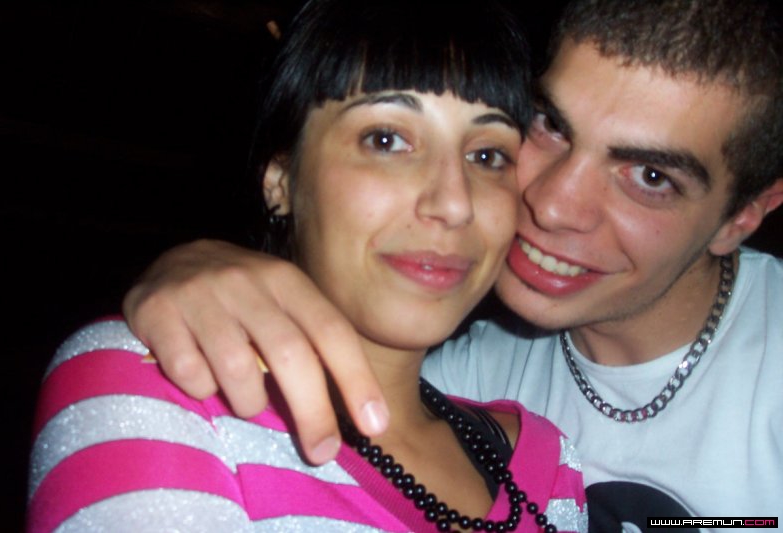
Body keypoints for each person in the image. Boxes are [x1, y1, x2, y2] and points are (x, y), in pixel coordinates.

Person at [120, 0, 783, 530]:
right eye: (550, 124)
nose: (551, 204)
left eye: (650, 176)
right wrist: (190, 271)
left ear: (742, 216)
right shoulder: (467, 375)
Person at [28, 1, 588, 532]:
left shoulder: (549, 462)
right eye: (386, 139)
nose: (454, 203)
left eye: (487, 155)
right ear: (281, 181)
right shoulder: (158, 379)